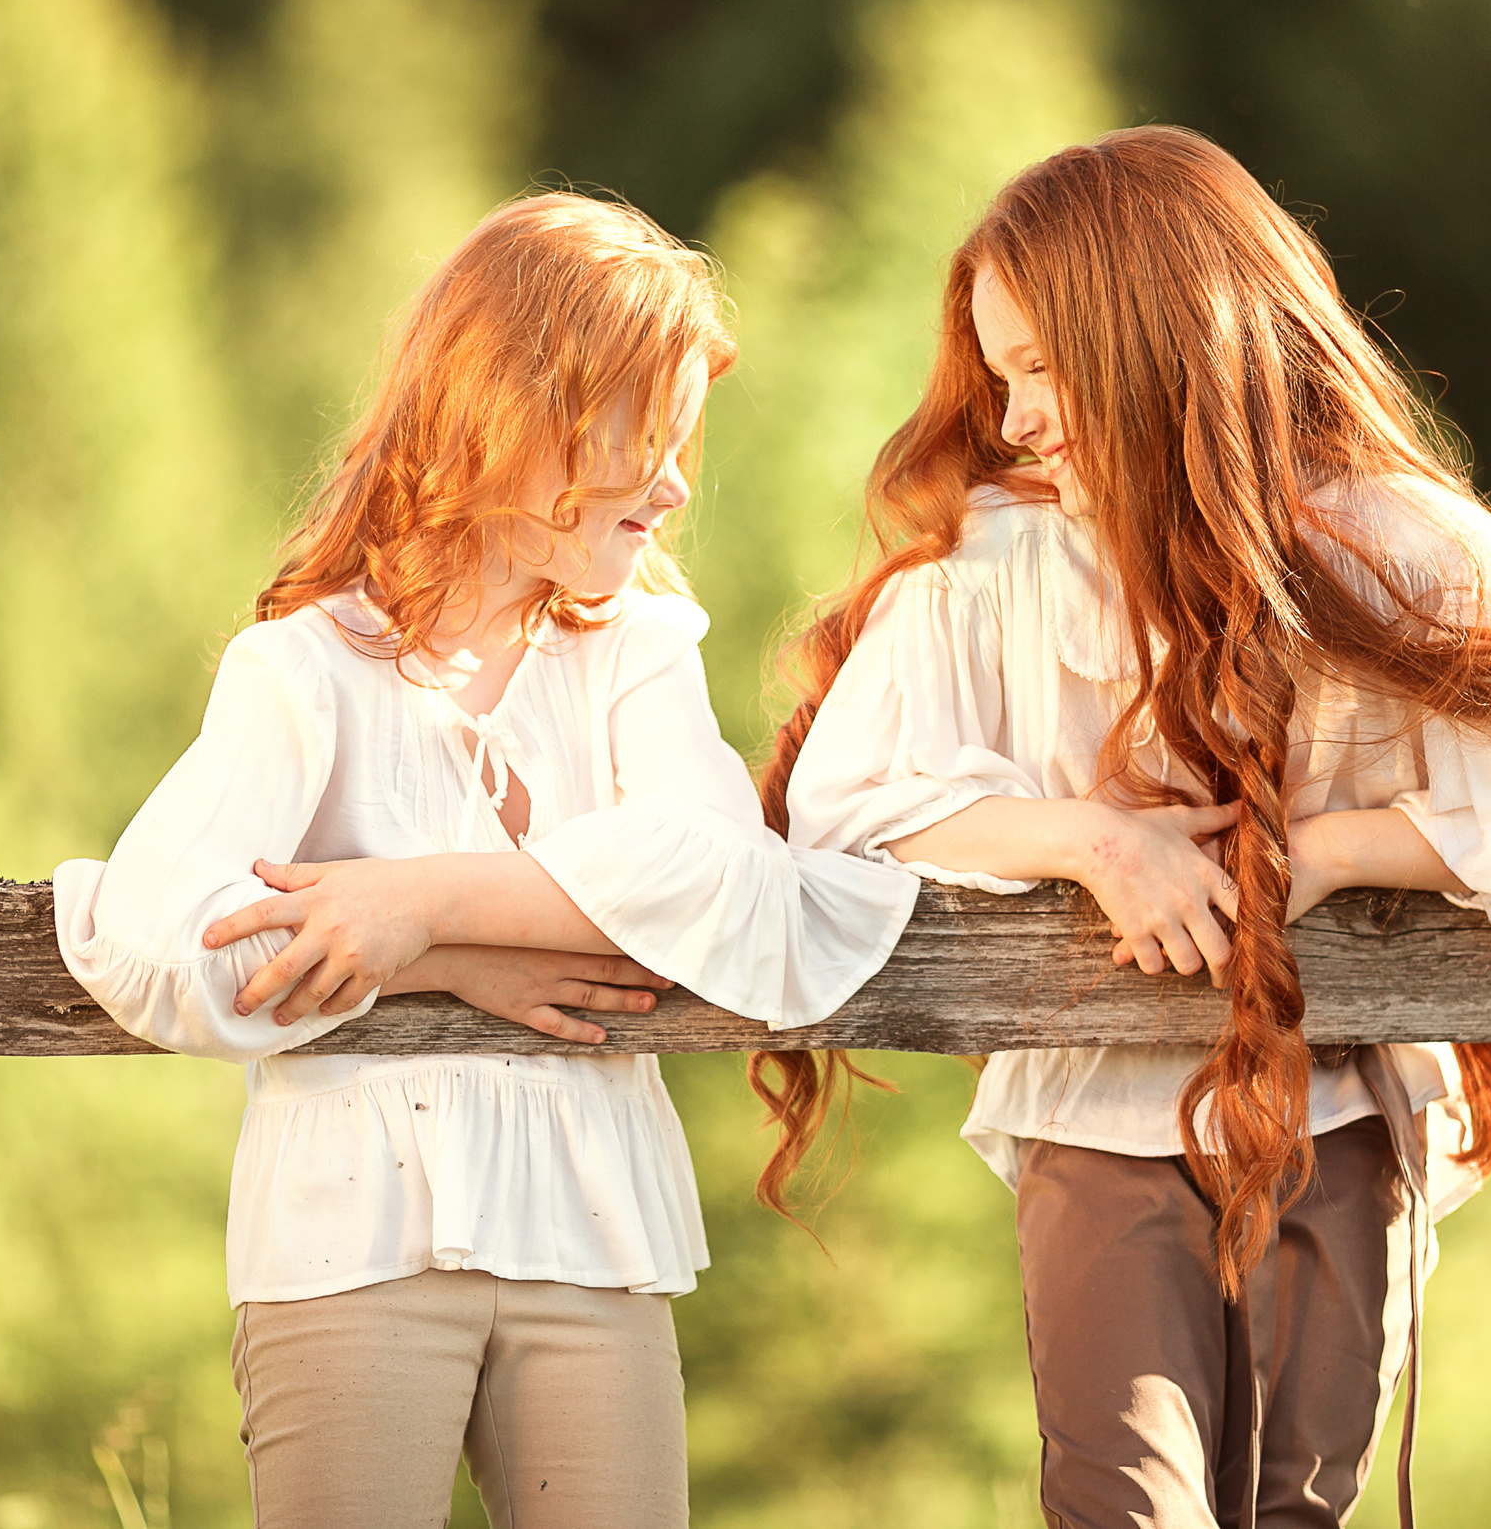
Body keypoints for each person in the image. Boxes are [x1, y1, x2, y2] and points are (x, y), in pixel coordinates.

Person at [757, 127, 1491, 1529]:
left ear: (1154, 342)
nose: (1012, 422)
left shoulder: (1397, 542)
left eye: (1040, 370)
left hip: (1339, 1114)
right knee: (1124, 1506)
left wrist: (1332, 852)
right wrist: (1092, 839)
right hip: (1101, 1120)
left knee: (1299, 1506)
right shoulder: (1001, 574)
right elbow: (841, 808)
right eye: (999, 374)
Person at [51, 192, 918, 1529]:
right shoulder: (306, 672)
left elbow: (725, 884)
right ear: (523, 412)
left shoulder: (635, 654)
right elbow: (159, 941)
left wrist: (418, 902)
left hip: (595, 1232)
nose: (680, 483)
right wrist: (443, 962)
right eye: (653, 435)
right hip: (352, 1234)